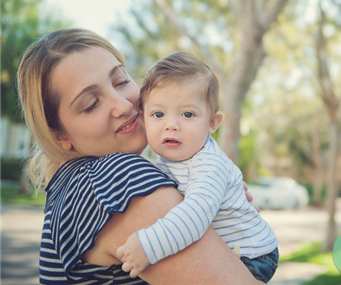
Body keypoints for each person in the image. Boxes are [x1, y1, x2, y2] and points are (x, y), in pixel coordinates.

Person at [17, 28, 261, 284]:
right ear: (59, 136)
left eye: (121, 81)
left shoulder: (71, 187)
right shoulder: (116, 179)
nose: (123, 105)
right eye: (91, 103)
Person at [116, 52, 279, 283]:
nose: (171, 125)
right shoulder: (166, 160)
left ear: (212, 122)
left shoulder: (208, 164)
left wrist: (148, 246)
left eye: (188, 114)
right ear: (143, 118)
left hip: (252, 255)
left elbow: (195, 216)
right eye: (158, 114)